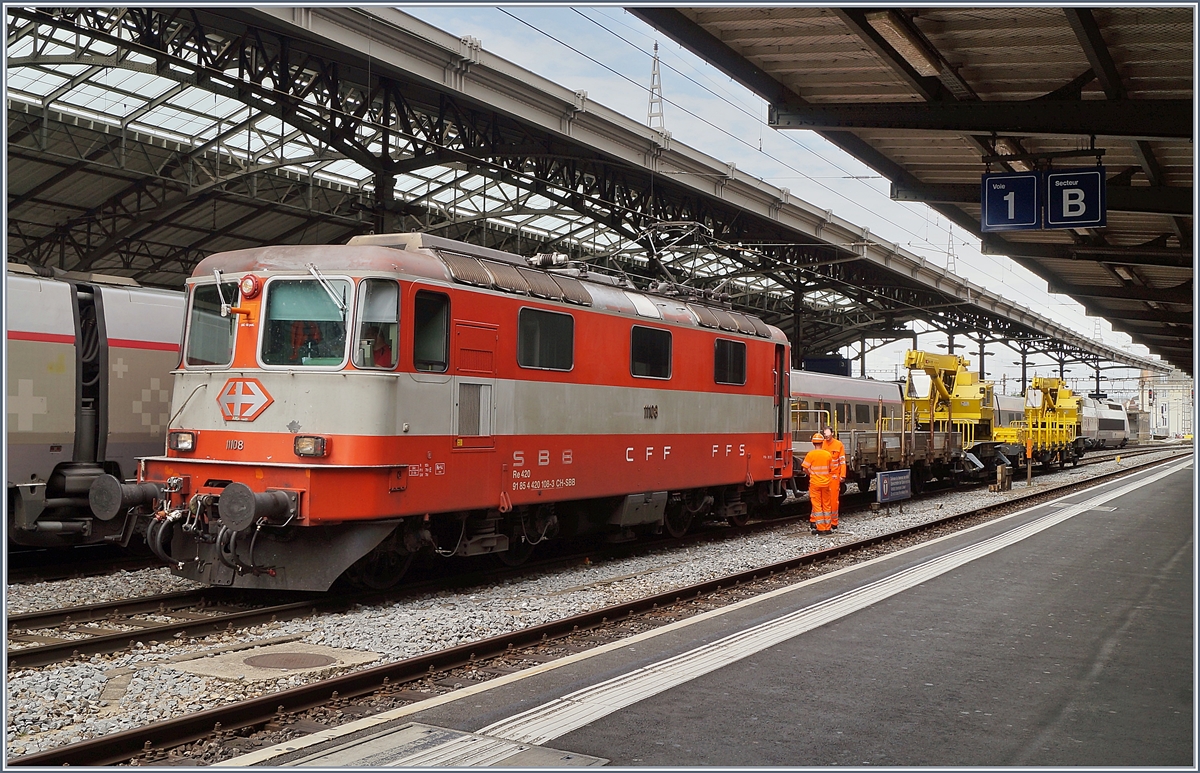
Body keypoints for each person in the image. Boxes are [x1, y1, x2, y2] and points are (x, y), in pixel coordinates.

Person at [801, 433, 835, 535]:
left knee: (817, 506)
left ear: (813, 443)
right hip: (826, 483)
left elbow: (804, 468)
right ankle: (828, 528)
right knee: (827, 505)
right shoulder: (827, 454)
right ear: (822, 442)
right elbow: (831, 468)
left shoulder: (810, 455)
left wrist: (811, 473)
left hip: (815, 483)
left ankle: (820, 528)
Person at [822, 425, 846, 531]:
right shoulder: (822, 444)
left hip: (834, 477)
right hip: (823, 476)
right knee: (822, 499)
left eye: (827, 434)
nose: (826, 436)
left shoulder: (838, 445)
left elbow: (842, 462)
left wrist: (843, 475)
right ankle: (824, 521)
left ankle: (833, 522)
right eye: (825, 434)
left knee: (833, 500)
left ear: (832, 433)